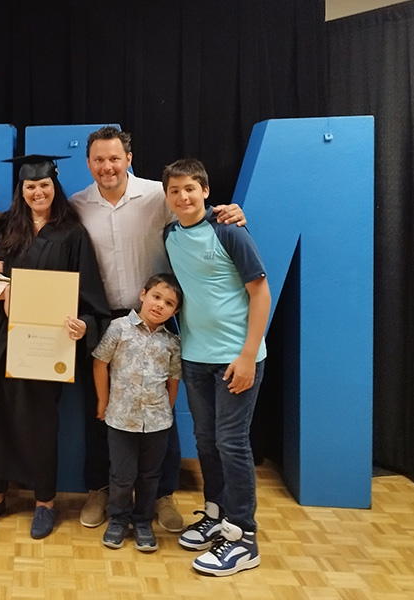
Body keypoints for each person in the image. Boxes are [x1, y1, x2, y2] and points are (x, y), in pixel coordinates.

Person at [70, 126, 246, 532]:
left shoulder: (157, 195)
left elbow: (195, 218)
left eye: (114, 158)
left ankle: (163, 494)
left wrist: (230, 213)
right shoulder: (78, 204)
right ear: (89, 163)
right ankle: (100, 489)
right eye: (99, 159)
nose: (107, 166)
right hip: (102, 320)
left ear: (128, 159)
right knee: (99, 408)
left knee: (160, 409)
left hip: (156, 319)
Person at [0, 155, 110, 540]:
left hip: (49, 344)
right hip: (4, 335)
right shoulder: (5, 226)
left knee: (40, 421)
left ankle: (45, 502)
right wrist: (1, 288)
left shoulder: (72, 233)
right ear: (21, 189)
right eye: (30, 186)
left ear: (53, 186)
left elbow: (88, 293)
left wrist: (85, 325)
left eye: (44, 185)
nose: (37, 192)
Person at [162, 158, 270, 576]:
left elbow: (260, 294)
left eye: (190, 188)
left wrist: (248, 355)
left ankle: (244, 538)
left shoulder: (229, 230)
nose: (183, 197)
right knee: (206, 440)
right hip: (195, 357)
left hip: (235, 360)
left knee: (232, 442)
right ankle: (217, 513)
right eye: (175, 191)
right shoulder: (170, 236)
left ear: (205, 191)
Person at [93, 274, 183, 553]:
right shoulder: (118, 328)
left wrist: (165, 410)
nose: (160, 305)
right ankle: (118, 519)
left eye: (169, 303)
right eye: (156, 296)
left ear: (175, 311)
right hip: (120, 419)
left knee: (150, 475)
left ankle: (143, 521)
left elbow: (173, 380)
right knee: (122, 475)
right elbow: (99, 364)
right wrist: (103, 401)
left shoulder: (172, 342)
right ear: (143, 295)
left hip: (157, 423)